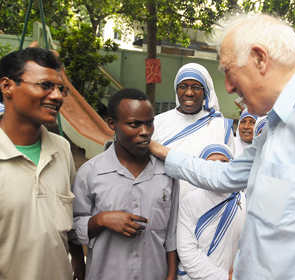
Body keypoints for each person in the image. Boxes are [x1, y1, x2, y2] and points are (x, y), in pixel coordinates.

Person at [149, 13, 295, 279]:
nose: (229, 88)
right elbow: (227, 175)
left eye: (228, 72)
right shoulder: (274, 125)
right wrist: (164, 152)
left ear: (259, 58)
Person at [72, 88, 179, 280]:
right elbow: (72, 230)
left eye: (149, 124)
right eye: (134, 124)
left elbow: (171, 235)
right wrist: (101, 219)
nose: (145, 132)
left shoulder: (167, 173)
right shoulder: (90, 173)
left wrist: (171, 275)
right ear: (112, 124)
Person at [0, 47, 84, 279]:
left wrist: (78, 260)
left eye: (60, 88)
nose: (57, 96)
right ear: (7, 86)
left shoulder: (62, 149)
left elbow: (71, 220)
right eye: (45, 85)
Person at [152, 63, 235, 199]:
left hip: (205, 206)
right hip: (164, 202)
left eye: (196, 87)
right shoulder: (158, 122)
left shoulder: (221, 126)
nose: (189, 93)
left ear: (206, 91)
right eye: (183, 86)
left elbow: (229, 171)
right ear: (176, 89)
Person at [177, 143, 246, 280]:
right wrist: (224, 278)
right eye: (210, 163)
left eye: (224, 162)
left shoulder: (245, 199)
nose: (217, 167)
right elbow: (187, 252)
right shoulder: (189, 201)